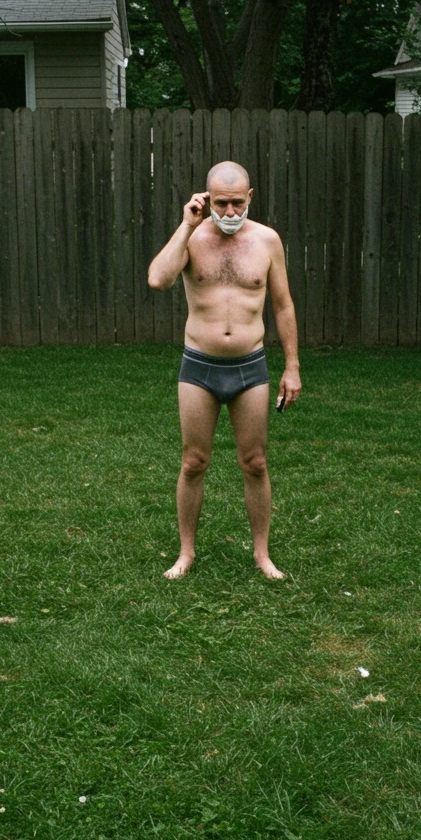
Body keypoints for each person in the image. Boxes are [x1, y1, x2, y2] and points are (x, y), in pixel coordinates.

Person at [147, 160, 302, 580]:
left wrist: (292, 366)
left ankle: (262, 555)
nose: (230, 212)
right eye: (221, 203)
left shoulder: (267, 240)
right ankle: (186, 553)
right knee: (193, 462)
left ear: (250, 197)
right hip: (199, 366)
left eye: (237, 203)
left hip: (250, 366)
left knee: (255, 462)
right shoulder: (192, 238)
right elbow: (158, 279)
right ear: (206, 199)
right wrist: (187, 225)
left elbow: (283, 305)